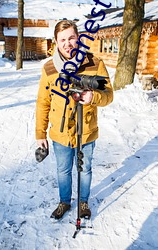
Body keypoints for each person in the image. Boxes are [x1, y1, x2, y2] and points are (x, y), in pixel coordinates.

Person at [35, 20, 113, 220]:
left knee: (85, 168)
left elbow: (109, 95)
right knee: (63, 170)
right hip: (60, 133)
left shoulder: (95, 63)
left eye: (71, 38)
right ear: (56, 42)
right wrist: (40, 134)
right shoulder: (49, 68)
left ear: (78, 38)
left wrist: (93, 97)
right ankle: (64, 202)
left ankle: (84, 202)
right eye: (63, 39)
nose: (67, 43)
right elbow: (43, 102)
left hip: (86, 130)